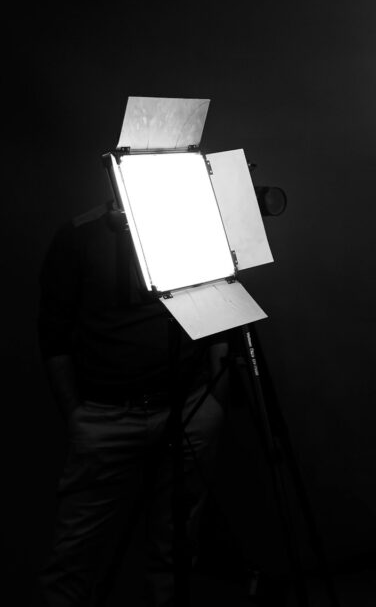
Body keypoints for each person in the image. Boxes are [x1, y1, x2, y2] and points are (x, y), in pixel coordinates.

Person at [38, 200, 228, 606]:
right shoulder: (79, 234)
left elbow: (221, 311)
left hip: (188, 410)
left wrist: (216, 400)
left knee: (175, 548)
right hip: (105, 416)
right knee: (74, 557)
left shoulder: (192, 221)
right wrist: (78, 415)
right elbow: (53, 335)